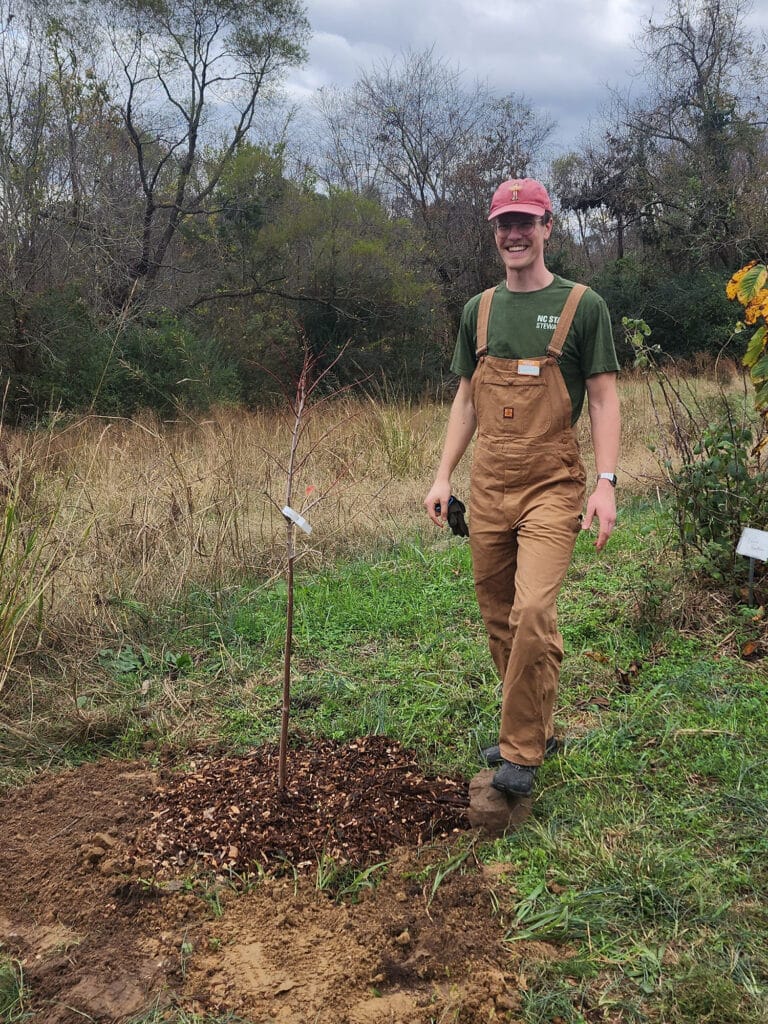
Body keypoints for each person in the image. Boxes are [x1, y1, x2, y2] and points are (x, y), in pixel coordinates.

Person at [424, 177, 620, 799]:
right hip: (488, 485)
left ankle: (521, 753)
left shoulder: (582, 306)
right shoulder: (477, 311)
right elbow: (464, 401)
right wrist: (441, 474)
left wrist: (606, 482)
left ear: (547, 227)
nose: (514, 234)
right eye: (504, 224)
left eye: (525, 222)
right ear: (495, 231)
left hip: (553, 484)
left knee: (534, 609)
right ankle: (534, 725)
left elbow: (605, 397)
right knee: (501, 619)